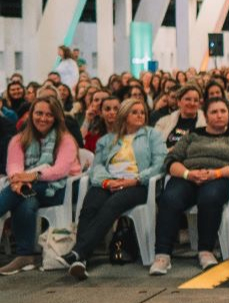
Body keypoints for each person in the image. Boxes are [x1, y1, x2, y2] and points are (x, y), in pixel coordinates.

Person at [56, 98, 166, 279]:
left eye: (142, 112)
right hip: (109, 182)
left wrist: (135, 180)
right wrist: (107, 182)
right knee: (91, 203)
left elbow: (160, 164)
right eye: (135, 112)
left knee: (113, 204)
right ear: (124, 116)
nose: (140, 115)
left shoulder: (151, 135)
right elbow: (96, 167)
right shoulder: (107, 140)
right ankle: (80, 260)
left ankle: (79, 252)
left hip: (138, 184)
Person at [151, 97, 229, 275]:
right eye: (214, 112)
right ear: (205, 115)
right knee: (170, 198)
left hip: (219, 176)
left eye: (223, 111)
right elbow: (171, 160)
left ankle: (205, 251)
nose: (219, 115)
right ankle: (162, 255)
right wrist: (188, 174)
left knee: (209, 198)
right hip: (188, 175)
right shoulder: (192, 134)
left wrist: (216, 173)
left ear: (228, 114)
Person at [0, 95, 80, 276]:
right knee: (26, 201)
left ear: (56, 117)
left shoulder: (65, 139)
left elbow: (59, 170)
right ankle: (26, 255)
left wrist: (30, 177)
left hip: (60, 188)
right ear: (31, 114)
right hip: (29, 189)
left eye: (49, 115)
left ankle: (25, 255)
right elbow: (13, 166)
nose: (43, 118)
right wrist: (17, 180)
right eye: (39, 113)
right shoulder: (19, 140)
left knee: (21, 193)